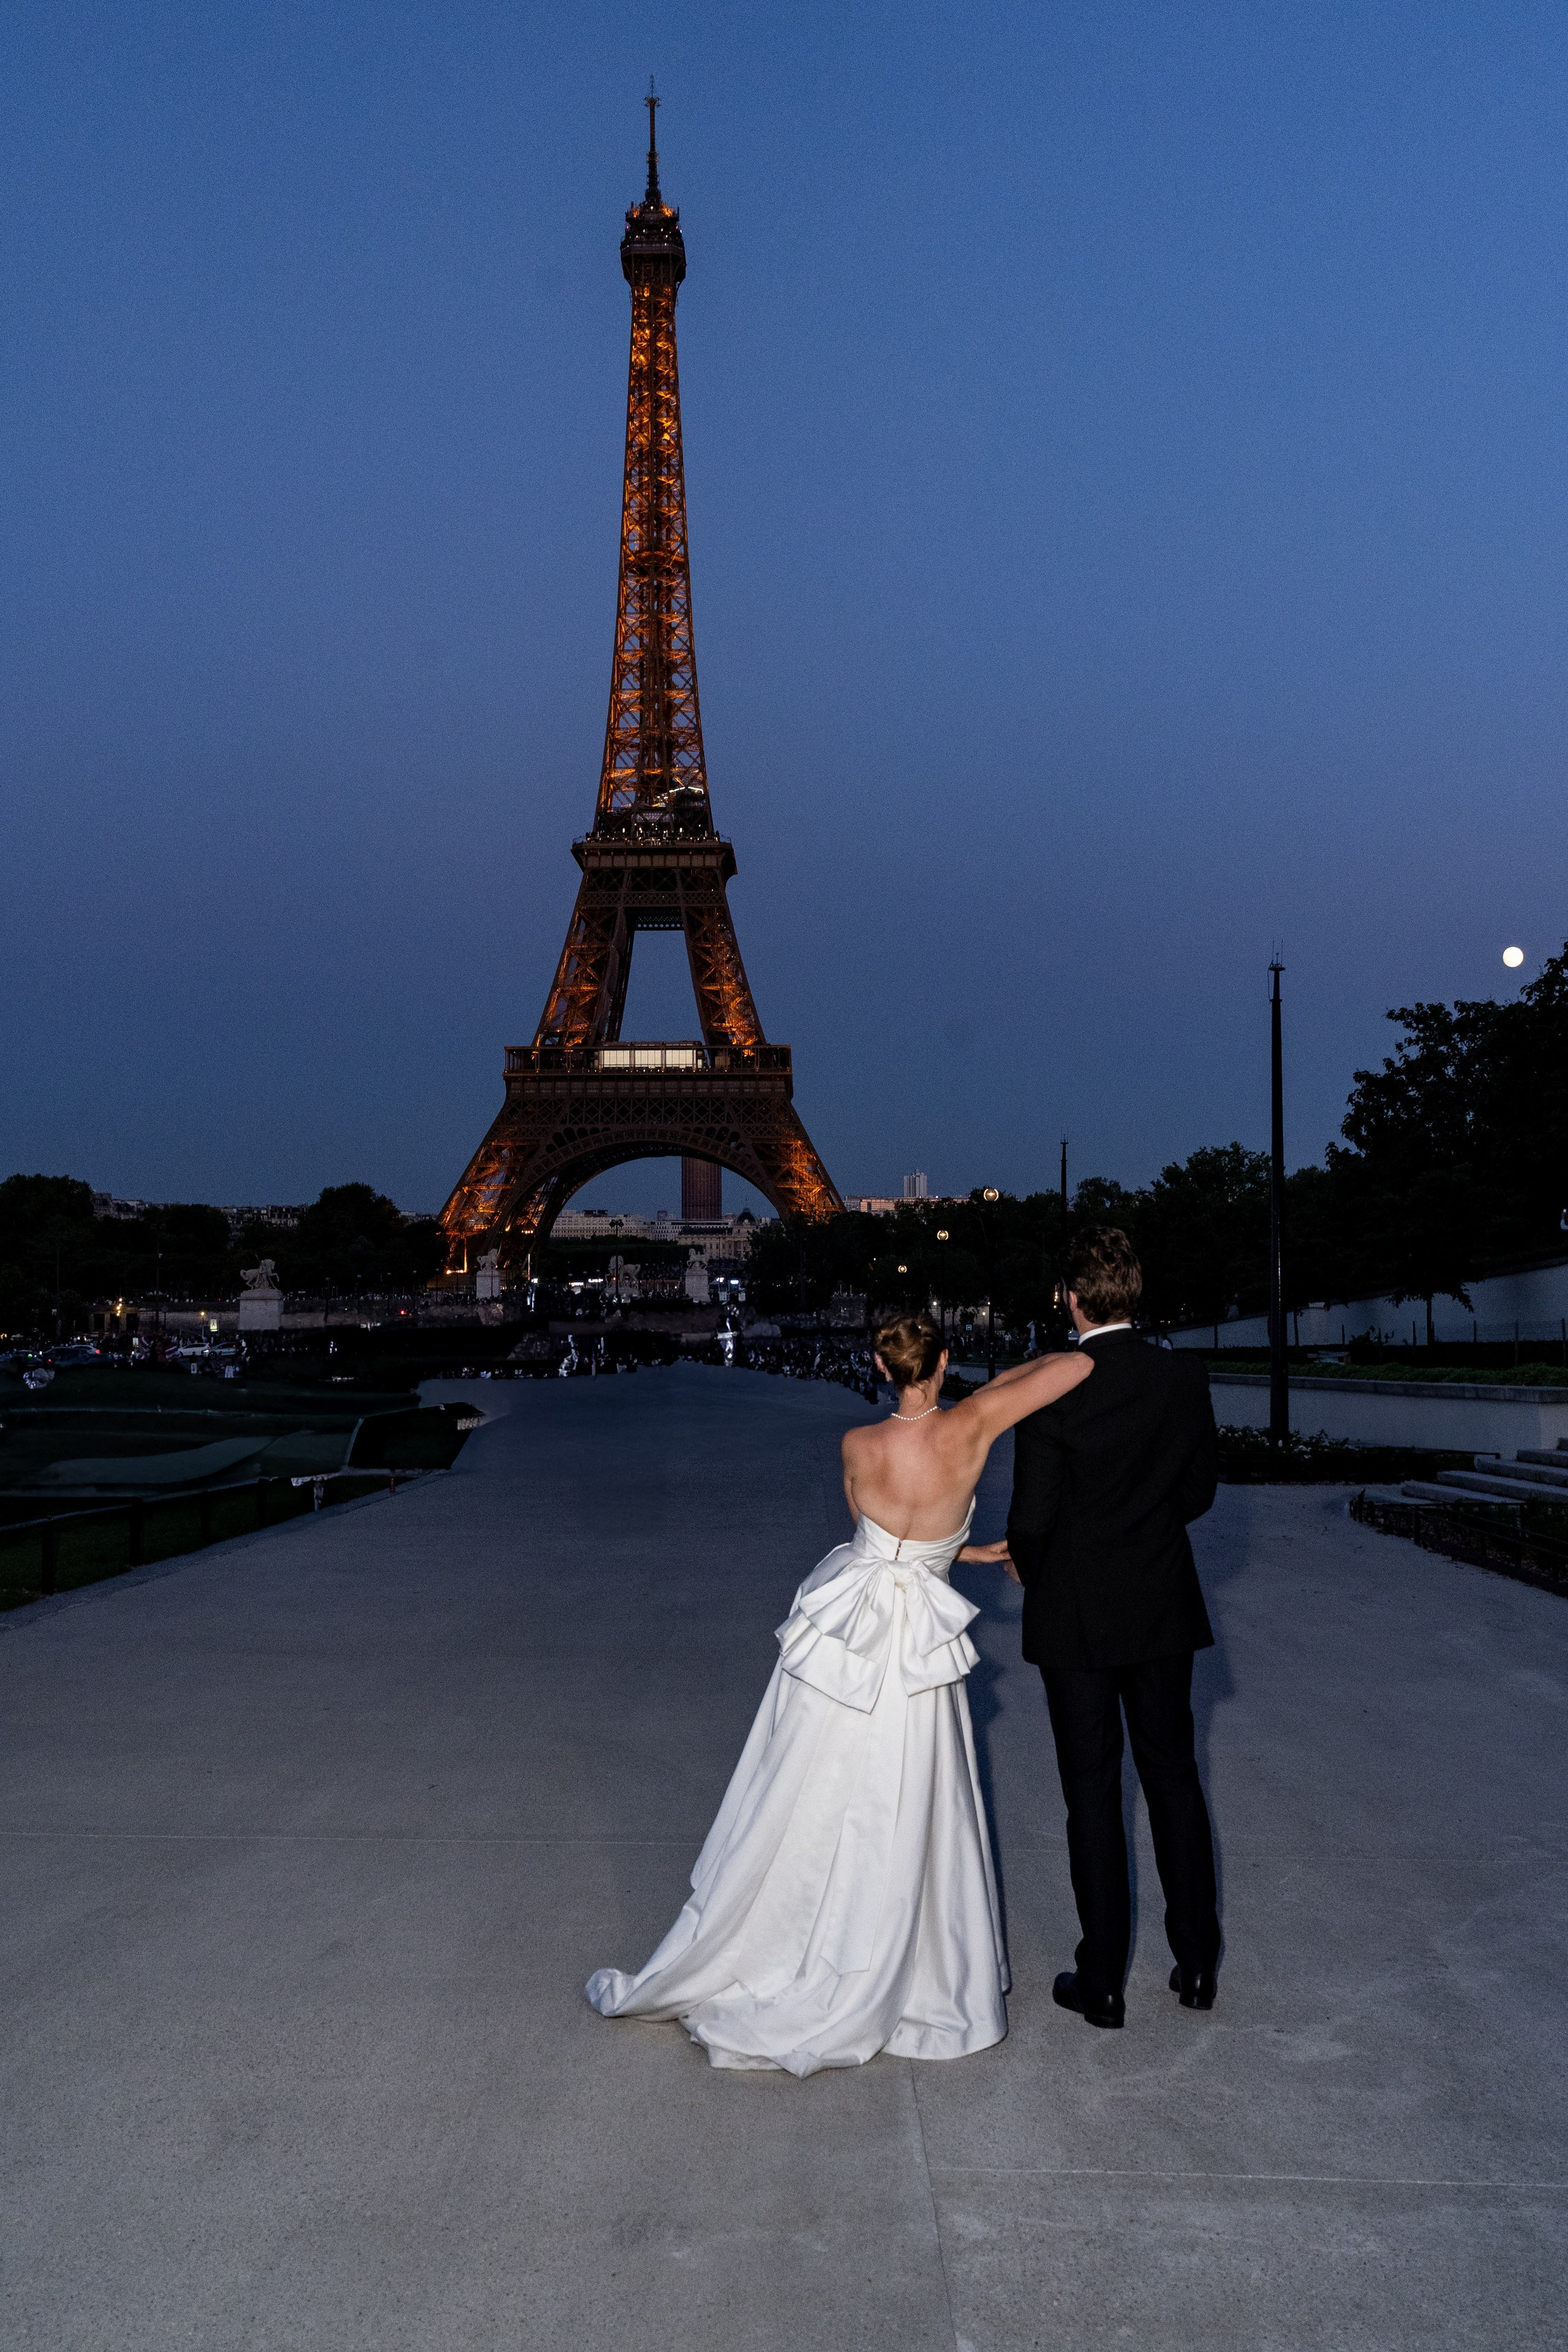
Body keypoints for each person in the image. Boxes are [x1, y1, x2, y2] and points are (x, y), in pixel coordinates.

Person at [585, 1313, 1093, 2075]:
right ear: (944, 1362)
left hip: (847, 1628)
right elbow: (1073, 1371)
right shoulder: (973, 1429)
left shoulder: (858, 1446)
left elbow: (876, 1540)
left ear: (880, 1369)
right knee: (910, 1789)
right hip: (918, 1636)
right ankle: (906, 1958)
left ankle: (790, 1932)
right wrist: (990, 1391)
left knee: (808, 1784)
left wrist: (953, 1541)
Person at [973, 1226, 1220, 2030]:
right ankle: (1195, 1964)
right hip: (1159, 1602)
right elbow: (1199, 1492)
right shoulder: (1182, 1376)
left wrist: (1031, 1562)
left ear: (1070, 1300)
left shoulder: (1052, 1387)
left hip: (1076, 1611)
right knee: (1174, 1777)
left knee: (1092, 1791)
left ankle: (1103, 1978)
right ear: (1134, 1293)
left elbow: (1034, 1516)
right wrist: (1141, 1534)